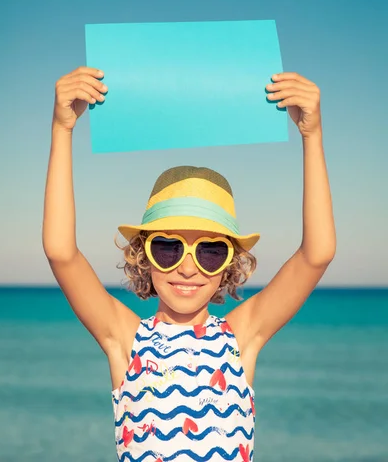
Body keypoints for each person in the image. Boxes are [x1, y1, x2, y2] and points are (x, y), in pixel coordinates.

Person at [43, 66, 336, 461]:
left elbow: (316, 255)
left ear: (230, 262)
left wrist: (312, 136)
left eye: (210, 251)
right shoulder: (126, 340)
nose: (187, 268)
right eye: (168, 247)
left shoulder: (241, 338)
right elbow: (61, 253)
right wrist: (62, 130)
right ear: (142, 257)